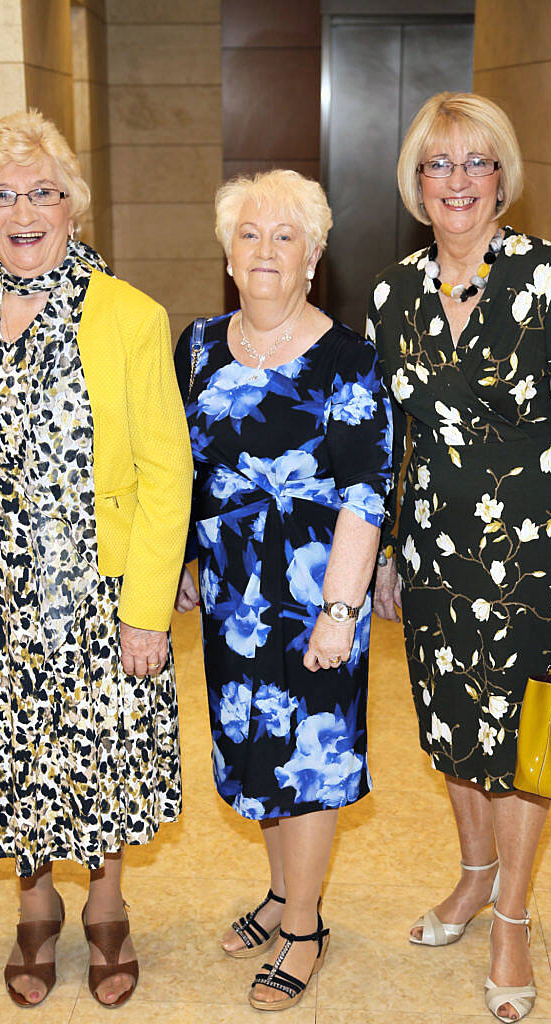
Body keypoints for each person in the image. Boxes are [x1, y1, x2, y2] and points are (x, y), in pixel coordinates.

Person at [0, 110, 192, 1009]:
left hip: (99, 596)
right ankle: (34, 911)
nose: (23, 210)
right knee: (14, 758)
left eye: (42, 191)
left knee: (105, 759)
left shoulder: (130, 316)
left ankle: (107, 908)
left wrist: (147, 605)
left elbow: (166, 470)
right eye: (2, 195)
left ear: (72, 205)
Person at [369, 92, 551, 1022]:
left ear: (502, 178)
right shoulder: (393, 293)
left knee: (515, 744)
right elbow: (392, 439)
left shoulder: (549, 276)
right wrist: (389, 551)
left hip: (535, 556)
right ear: (417, 183)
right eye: (439, 165)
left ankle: (510, 917)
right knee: (455, 738)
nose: (457, 182)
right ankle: (472, 879)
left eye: (475, 163)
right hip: (434, 552)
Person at [173, 169, 392, 1010]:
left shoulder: (350, 360)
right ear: (229, 253)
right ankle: (278, 896)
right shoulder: (195, 344)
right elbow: (184, 469)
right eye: (250, 234)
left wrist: (340, 613)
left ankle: (305, 926)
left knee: (309, 765)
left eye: (284, 236)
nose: (265, 250)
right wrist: (187, 560)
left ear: (313, 256)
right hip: (233, 601)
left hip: (313, 600)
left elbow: (366, 498)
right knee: (258, 757)